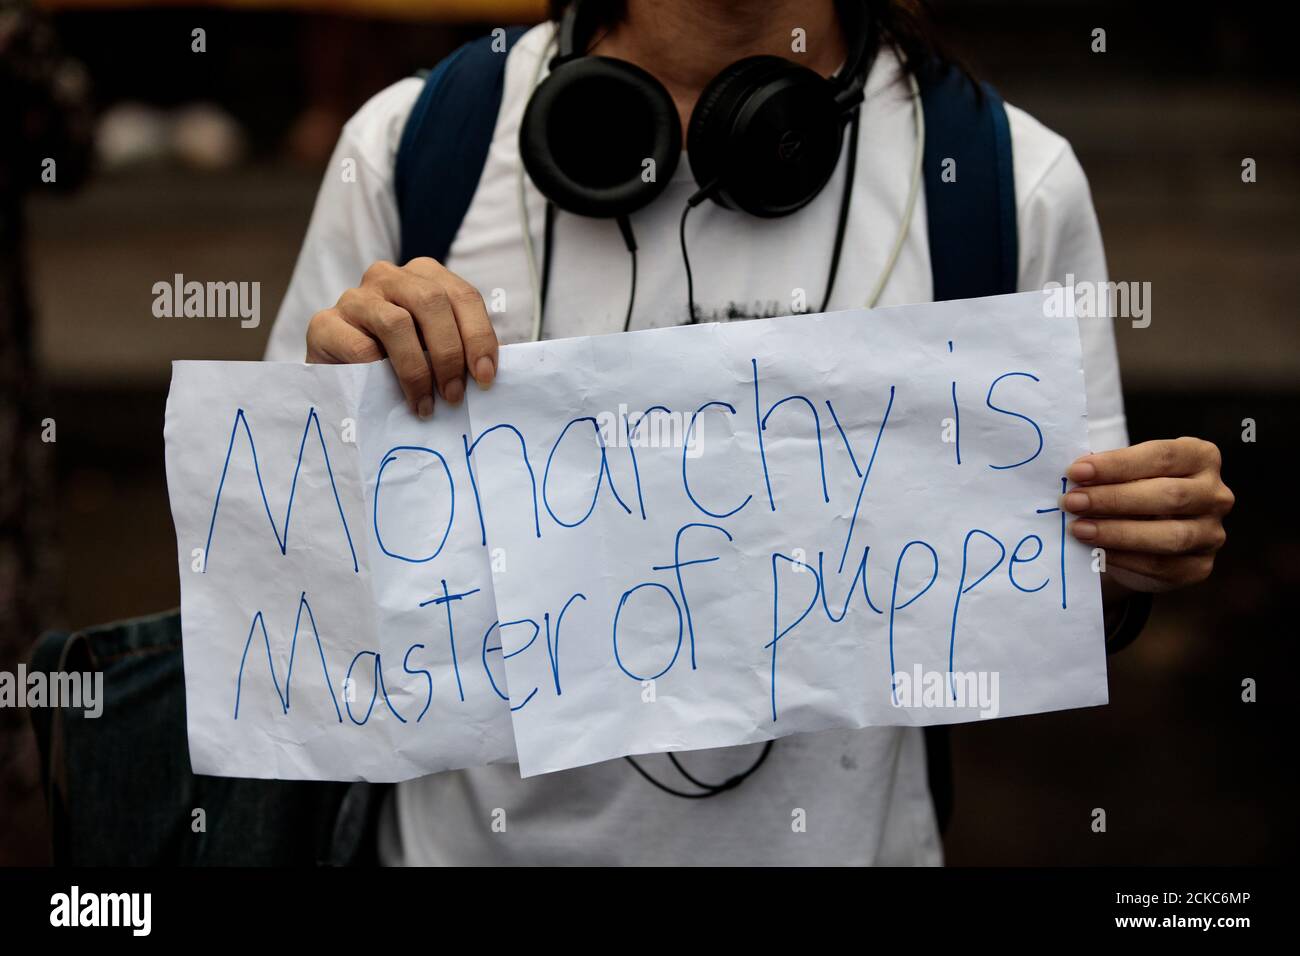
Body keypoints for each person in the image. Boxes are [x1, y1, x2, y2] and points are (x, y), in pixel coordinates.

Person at [263, 0, 1233, 865]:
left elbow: (1065, 576)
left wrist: (1133, 553)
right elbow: (274, 576)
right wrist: (328, 412)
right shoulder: (417, 143)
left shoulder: (1003, 178)